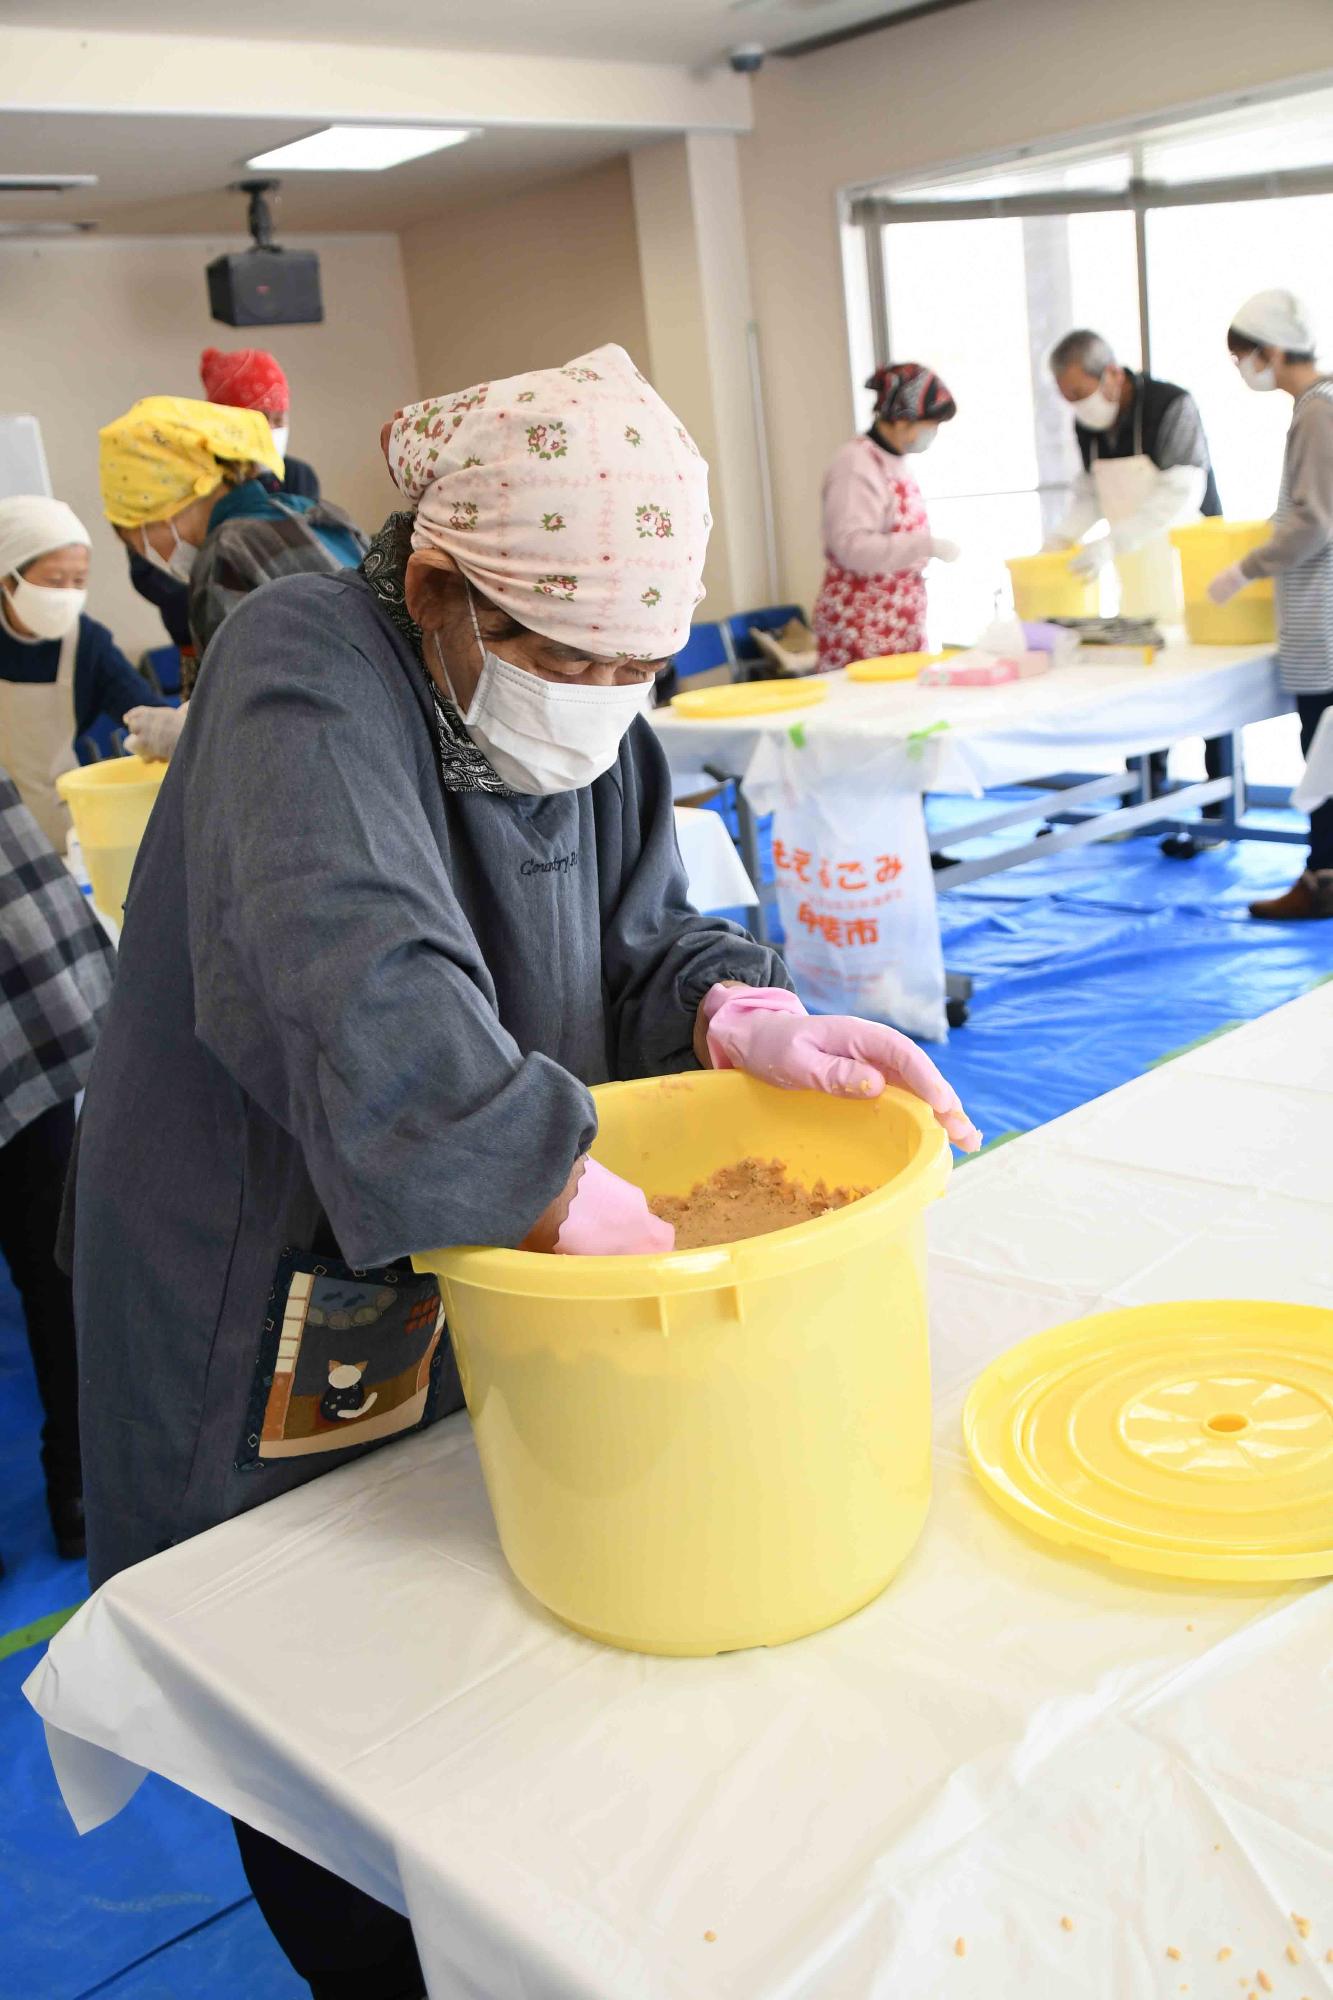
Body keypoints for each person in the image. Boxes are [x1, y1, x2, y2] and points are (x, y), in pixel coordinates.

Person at [65, 344, 979, 1997]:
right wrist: (559, 1192)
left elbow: (634, 937)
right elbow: (354, 965)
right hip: (258, 1267)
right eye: (567, 652)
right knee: (321, 1701)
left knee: (478, 1642)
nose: (603, 694)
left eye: (639, 662)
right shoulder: (302, 663)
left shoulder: (592, 721)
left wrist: (743, 1015)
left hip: (464, 1251)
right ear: (437, 588)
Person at [100, 396, 367, 759]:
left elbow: (250, 725)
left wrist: (185, 736)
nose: (150, 555)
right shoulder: (317, 516)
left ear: (161, 511)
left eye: (139, 541)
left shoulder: (225, 556)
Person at [0, 763, 115, 1567]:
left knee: (55, 1266)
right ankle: (78, 1490)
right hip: (21, 1013)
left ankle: (79, 1486)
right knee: (55, 1267)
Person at [1048, 329, 1227, 812]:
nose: (1078, 408)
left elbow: (1181, 492)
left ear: (1110, 373)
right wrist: (1062, 538)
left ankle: (1219, 802)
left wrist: (1114, 540)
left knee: (1205, 681)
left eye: (1080, 394)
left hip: (1187, 557)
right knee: (1140, 679)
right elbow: (1089, 491)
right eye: (1068, 399)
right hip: (1134, 570)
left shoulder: (1170, 405)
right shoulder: (1088, 425)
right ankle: (1145, 794)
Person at [1209, 290, 1333, 920]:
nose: (1244, 370)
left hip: (1326, 622)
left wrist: (1245, 567)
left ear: (1274, 351)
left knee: (1322, 760)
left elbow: (1316, 523)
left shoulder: (1317, 410)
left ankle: (1322, 881)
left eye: (1244, 357)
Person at [0, 496, 168, 849]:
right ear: (7, 579)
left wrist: (170, 733)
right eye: (54, 579)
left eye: (78, 580)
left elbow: (143, 710)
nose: (67, 594)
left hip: (57, 825)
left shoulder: (87, 644)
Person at [126, 346, 321, 649]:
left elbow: (309, 562)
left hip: (293, 635)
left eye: (278, 419)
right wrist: (211, 607)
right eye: (259, 419)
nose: (270, 430)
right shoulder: (186, 486)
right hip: (202, 641)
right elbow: (149, 572)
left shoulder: (297, 478)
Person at [813, 363, 960, 673]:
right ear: (903, 419)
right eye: (929, 424)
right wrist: (924, 546)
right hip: (861, 626)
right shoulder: (856, 464)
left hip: (900, 625)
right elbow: (851, 546)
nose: (931, 434)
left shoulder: (895, 462)